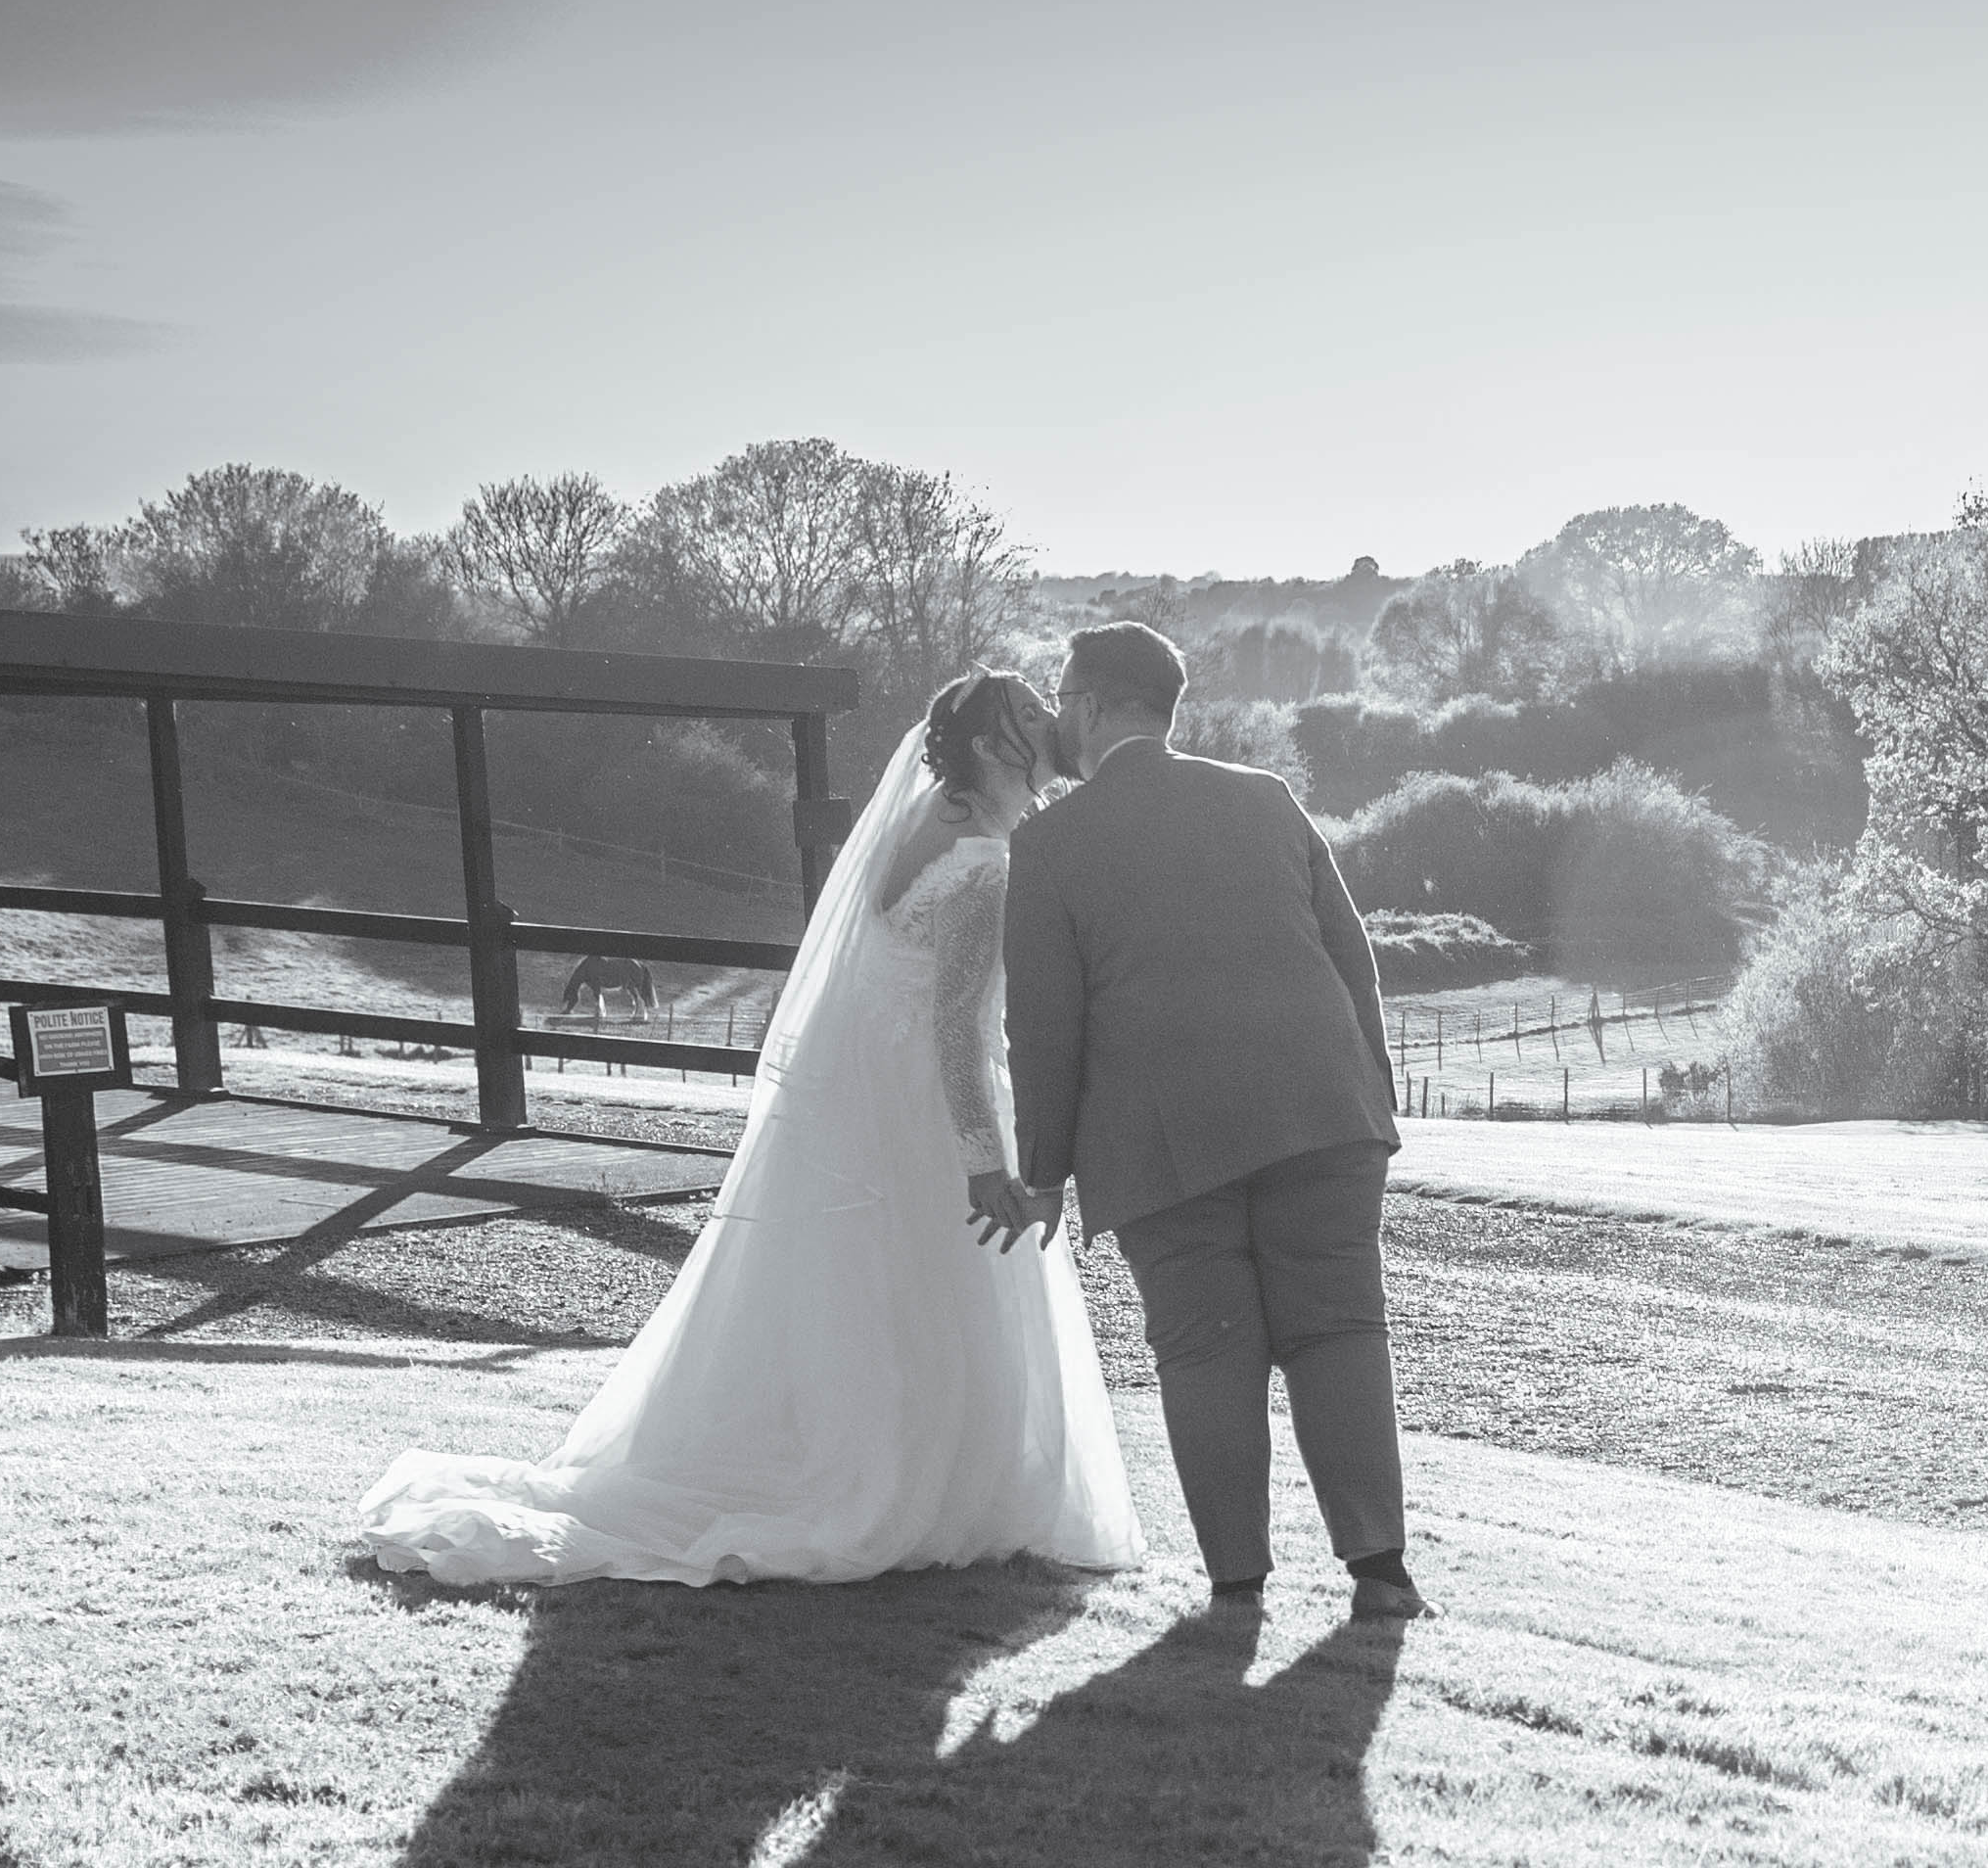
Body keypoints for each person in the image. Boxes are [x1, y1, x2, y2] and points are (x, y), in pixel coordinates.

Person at [342, 672, 1143, 1590]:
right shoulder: (987, 865)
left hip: (866, 1096)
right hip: (924, 1104)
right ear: (1000, 744)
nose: (1053, 727)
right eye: (1035, 716)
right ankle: (912, 1480)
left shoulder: (929, 830)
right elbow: (956, 1028)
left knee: (857, 1287)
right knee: (919, 1289)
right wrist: (981, 1159)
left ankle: (845, 1451)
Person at [1006, 618, 1423, 1621]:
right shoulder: (1266, 799)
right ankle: (1382, 1575)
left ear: (1099, 705)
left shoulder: (1049, 844)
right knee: (1341, 1331)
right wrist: (1369, 1090)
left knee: (1205, 1347)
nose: (1060, 715)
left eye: (1065, 697)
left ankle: (1238, 1588)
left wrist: (1045, 1170)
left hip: (1164, 1141)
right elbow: (1349, 955)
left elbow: (1046, 1029)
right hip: (1323, 1113)